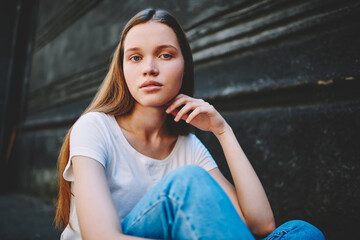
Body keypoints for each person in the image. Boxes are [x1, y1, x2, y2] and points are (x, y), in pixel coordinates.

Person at [55, 8, 326, 240]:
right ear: (122, 70)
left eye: (165, 55)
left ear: (184, 66)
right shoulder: (94, 128)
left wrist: (223, 132)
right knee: (186, 181)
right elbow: (101, 236)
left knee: (301, 233)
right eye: (135, 57)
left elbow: (260, 224)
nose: (149, 68)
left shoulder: (187, 147)